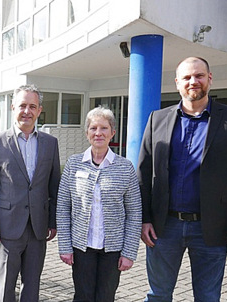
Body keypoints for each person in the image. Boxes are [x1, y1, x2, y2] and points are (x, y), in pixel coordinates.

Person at [137, 56, 227, 301]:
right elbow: (143, 174)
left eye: (199, 75)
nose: (194, 81)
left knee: (208, 296)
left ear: (210, 79)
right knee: (158, 295)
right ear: (177, 83)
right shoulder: (156, 119)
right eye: (187, 77)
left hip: (211, 228)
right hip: (164, 227)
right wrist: (144, 219)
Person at [0, 84, 61, 302]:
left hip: (38, 228)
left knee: (32, 285)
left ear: (39, 110)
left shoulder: (50, 144)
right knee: (6, 286)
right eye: (23, 105)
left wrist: (52, 222)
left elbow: (54, 187)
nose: (27, 111)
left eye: (32, 106)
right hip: (7, 229)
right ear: (13, 107)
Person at [56, 107, 142, 302]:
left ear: (112, 132)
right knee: (83, 296)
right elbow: (62, 208)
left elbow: (134, 213)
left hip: (112, 250)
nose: (98, 133)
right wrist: (65, 246)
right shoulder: (73, 164)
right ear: (87, 133)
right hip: (81, 247)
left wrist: (129, 252)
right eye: (93, 128)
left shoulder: (125, 167)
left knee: (105, 297)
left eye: (104, 128)